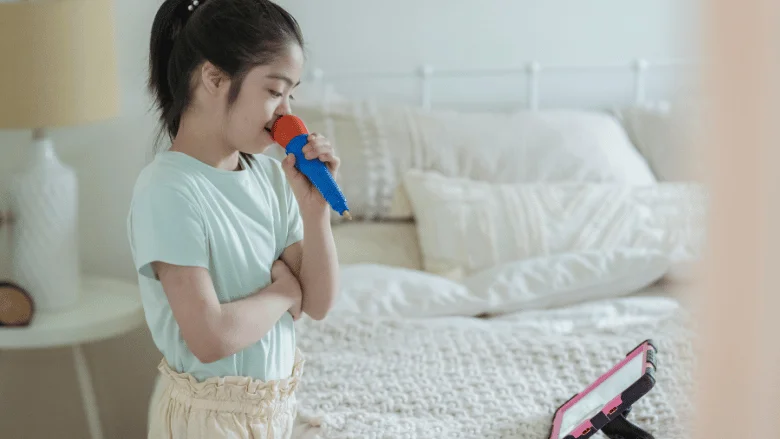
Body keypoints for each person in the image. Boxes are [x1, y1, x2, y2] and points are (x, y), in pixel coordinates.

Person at [126, 0, 340, 437]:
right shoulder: (168, 189)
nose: (287, 114)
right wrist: (283, 294)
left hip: (273, 410)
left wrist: (315, 212)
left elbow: (317, 303)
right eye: (274, 91)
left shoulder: (269, 177)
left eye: (291, 94)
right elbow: (209, 338)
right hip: (207, 422)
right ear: (214, 77)